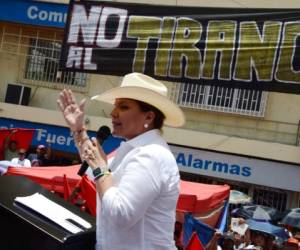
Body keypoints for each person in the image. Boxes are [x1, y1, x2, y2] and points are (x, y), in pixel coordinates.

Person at [57, 72, 185, 250]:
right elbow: (95, 170)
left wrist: (101, 169)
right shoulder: (135, 150)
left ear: (148, 117)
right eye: (116, 106)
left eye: (123, 107)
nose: (113, 113)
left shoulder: (151, 155)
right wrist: (78, 130)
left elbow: (120, 213)